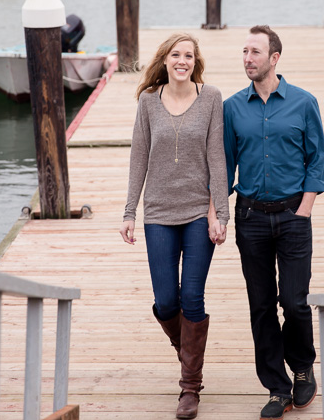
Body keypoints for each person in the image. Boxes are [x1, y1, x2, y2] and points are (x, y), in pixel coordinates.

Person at [120, 33, 229, 420]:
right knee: (167, 301)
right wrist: (130, 211)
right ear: (164, 60)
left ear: (194, 62)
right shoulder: (149, 102)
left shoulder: (211, 97)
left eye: (188, 55)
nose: (182, 61)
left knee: (192, 298)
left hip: (200, 213)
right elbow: (139, 158)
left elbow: (218, 157)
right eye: (175, 55)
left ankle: (189, 387)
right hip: (159, 214)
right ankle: (189, 353)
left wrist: (221, 214)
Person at [223, 25, 324, 420]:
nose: (248, 58)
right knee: (261, 305)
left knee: (295, 302)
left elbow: (315, 157)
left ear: (274, 58)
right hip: (250, 218)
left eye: (255, 52)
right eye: (244, 51)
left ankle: (302, 367)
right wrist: (218, 209)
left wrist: (306, 207)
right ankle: (276, 387)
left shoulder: (303, 103)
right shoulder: (233, 107)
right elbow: (226, 163)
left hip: (293, 215)